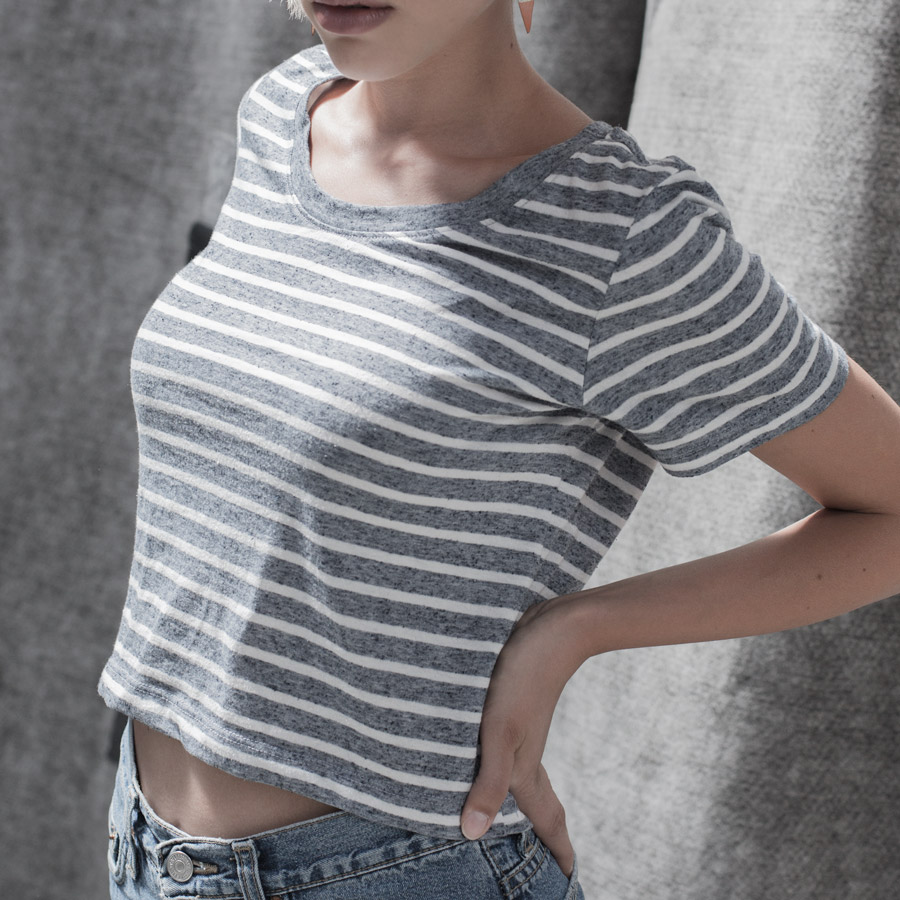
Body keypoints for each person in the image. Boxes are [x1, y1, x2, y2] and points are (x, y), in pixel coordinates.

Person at [99, 1, 900, 897]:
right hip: (146, 843)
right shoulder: (285, 110)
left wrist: (576, 629)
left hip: (388, 872)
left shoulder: (619, 231)